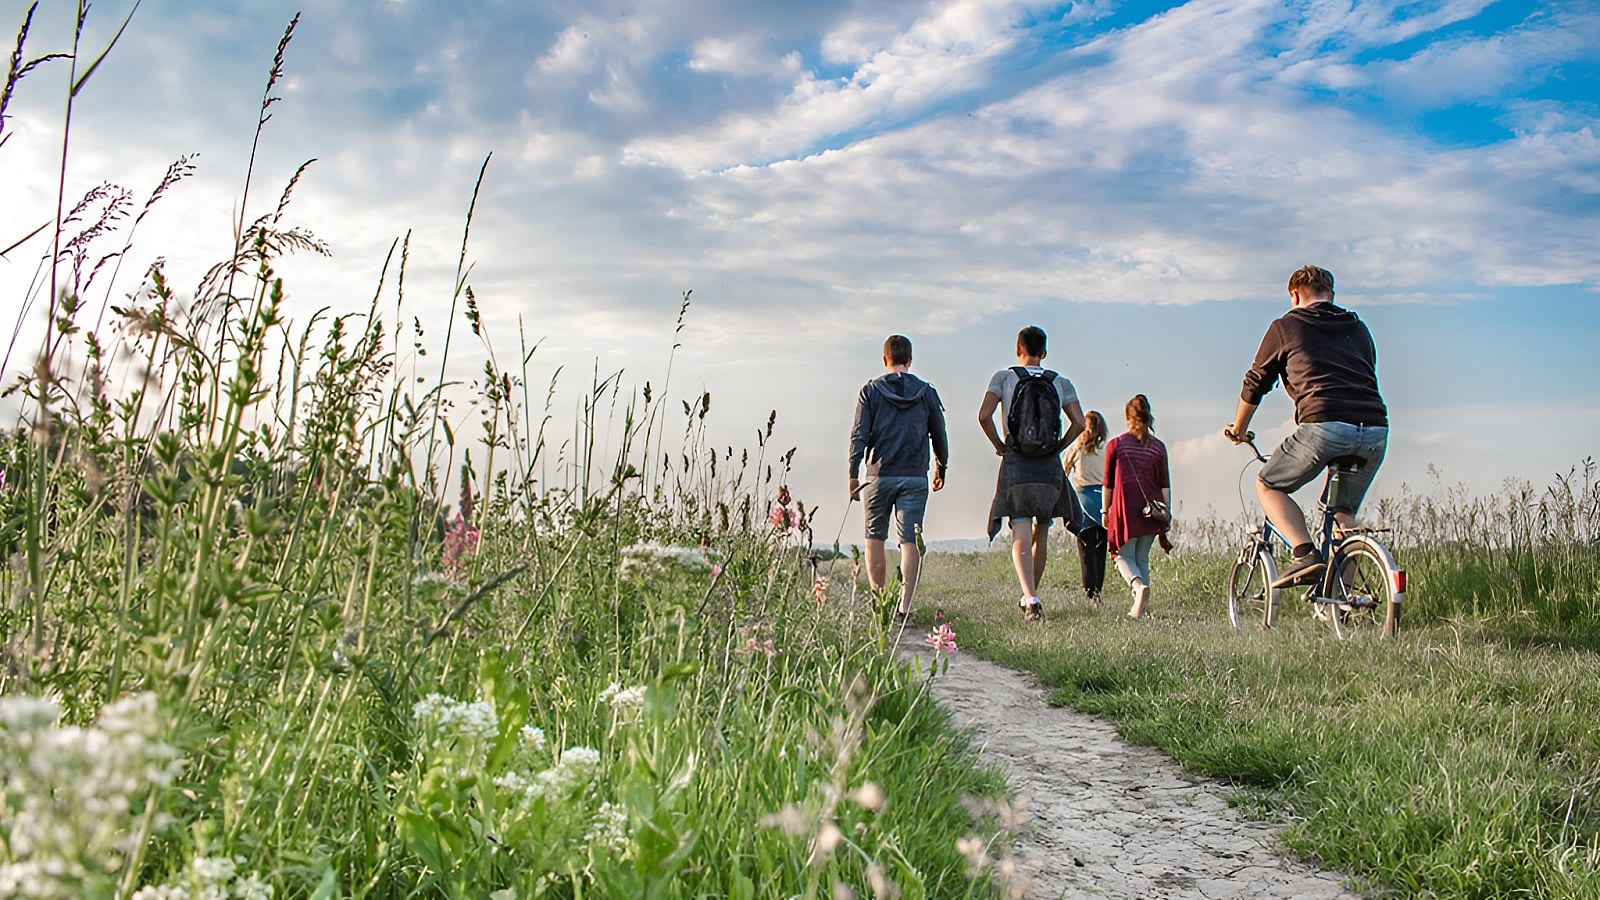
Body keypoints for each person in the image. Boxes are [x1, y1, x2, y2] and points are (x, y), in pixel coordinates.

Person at [1225, 265, 1388, 589]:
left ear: (1295, 295)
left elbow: (1256, 381)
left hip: (1325, 425)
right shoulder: (1358, 328)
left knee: (1268, 485)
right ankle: (1341, 603)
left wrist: (1239, 429)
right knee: (1343, 515)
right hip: (1374, 430)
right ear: (1331, 294)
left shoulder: (1286, 326)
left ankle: (1305, 554)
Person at [978, 325, 1087, 622]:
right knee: (1043, 530)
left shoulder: (1003, 377)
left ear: (1018, 349)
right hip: (1048, 467)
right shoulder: (1060, 382)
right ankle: (1031, 595)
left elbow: (983, 415)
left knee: (1021, 530)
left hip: (1018, 463)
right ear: (1045, 352)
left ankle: (1030, 597)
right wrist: (1060, 446)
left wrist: (999, 444)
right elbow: (1080, 422)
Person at [848, 334, 950, 619]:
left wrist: (853, 473)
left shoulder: (870, 391)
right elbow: (939, 432)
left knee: (874, 538)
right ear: (910, 361)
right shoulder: (926, 392)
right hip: (915, 476)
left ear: (885, 359)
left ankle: (880, 603)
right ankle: (904, 607)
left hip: (878, 475)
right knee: (910, 541)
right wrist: (942, 466)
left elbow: (859, 434)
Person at [1104, 394, 1170, 619]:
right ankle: (1143, 608)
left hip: (1126, 507)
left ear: (1127, 417)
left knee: (1120, 555)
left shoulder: (1117, 445)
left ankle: (1138, 587)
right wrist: (1166, 513)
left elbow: (1108, 484)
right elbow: (1165, 484)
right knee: (1141, 557)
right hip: (1152, 509)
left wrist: (1105, 511)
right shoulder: (1159, 448)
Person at [1063, 410, 1108, 606]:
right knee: (1101, 550)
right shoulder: (1107, 448)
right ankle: (1098, 589)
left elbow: (1063, 471)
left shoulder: (1076, 448)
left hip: (1083, 500)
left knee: (1085, 550)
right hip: (1105, 500)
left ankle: (1090, 592)